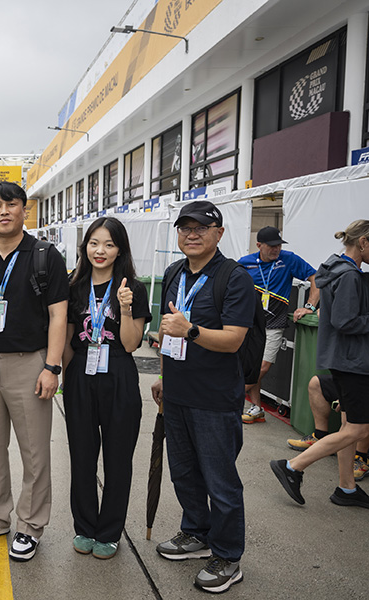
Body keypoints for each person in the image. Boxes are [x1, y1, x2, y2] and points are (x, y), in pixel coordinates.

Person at [0, 182, 69, 562]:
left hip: (30, 363)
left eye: (10, 204)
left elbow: (59, 316)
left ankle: (30, 525)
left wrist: (51, 367)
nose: (2, 211)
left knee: (35, 451)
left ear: (24, 209)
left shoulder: (45, 255)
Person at [150, 200, 253, 593]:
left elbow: (233, 340)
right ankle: (196, 532)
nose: (191, 234)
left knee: (221, 481)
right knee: (185, 473)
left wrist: (190, 330)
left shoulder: (234, 277)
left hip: (215, 398)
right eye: (184, 228)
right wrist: (162, 375)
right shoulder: (174, 272)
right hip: (177, 393)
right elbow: (166, 330)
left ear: (219, 233)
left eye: (200, 228)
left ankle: (228, 556)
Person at [62, 217, 150, 560]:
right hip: (81, 376)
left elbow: (130, 344)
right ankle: (84, 526)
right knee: (82, 458)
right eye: (94, 243)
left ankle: (109, 531)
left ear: (120, 250)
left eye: (109, 244)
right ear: (85, 247)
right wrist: (62, 378)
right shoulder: (74, 285)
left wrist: (125, 309)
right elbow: (69, 339)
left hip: (119, 377)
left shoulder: (133, 288)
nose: (100, 251)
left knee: (117, 460)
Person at [271, 220, 369, 510]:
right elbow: (345, 320)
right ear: (363, 242)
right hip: (353, 363)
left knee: (351, 425)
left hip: (342, 360)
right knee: (359, 430)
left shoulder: (337, 270)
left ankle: (347, 488)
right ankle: (292, 467)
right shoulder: (349, 276)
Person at [238, 226, 319, 424]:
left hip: (274, 323)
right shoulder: (244, 263)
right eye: (272, 246)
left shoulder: (289, 259)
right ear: (259, 246)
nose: (276, 249)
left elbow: (316, 278)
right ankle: (256, 408)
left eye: (278, 246)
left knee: (262, 367)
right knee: (252, 366)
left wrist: (309, 306)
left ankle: (227, 399)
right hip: (250, 323)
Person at [285, 374, 369, 481]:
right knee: (316, 383)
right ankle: (319, 436)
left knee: (356, 426)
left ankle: (360, 457)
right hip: (354, 380)